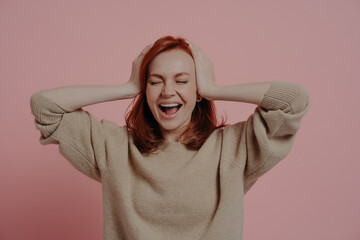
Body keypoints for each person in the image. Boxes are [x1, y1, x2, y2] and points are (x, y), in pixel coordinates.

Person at [30, 36, 311, 240]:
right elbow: (45, 106)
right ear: (145, 90)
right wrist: (128, 86)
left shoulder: (232, 149)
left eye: (182, 80)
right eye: (155, 81)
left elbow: (293, 101)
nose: (167, 91)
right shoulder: (113, 148)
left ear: (198, 91)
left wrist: (213, 88)